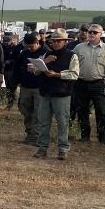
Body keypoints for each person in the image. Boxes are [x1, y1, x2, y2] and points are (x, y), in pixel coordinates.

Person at [32, 29, 79, 160]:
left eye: (59, 41)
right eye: (53, 41)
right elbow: (36, 71)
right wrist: (44, 63)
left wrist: (57, 75)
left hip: (62, 93)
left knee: (62, 122)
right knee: (43, 122)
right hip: (46, 92)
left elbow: (74, 74)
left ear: (64, 42)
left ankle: (63, 149)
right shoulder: (47, 53)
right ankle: (42, 148)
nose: (55, 43)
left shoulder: (72, 56)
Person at [72, 23, 105, 144]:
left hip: (99, 84)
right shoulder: (79, 48)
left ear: (101, 34)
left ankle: (103, 136)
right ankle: (85, 135)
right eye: (90, 32)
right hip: (81, 83)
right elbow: (72, 63)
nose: (91, 34)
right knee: (82, 110)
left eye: (95, 32)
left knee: (101, 111)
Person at [10, 32, 47, 145]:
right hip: (25, 86)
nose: (30, 49)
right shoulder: (24, 53)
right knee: (24, 109)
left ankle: (35, 136)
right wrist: (15, 82)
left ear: (37, 43)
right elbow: (16, 68)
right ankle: (30, 131)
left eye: (32, 46)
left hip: (40, 87)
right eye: (28, 46)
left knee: (38, 112)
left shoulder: (46, 52)